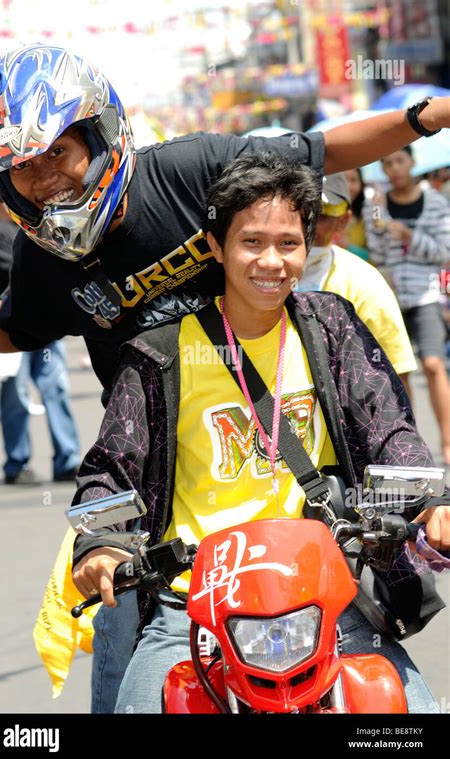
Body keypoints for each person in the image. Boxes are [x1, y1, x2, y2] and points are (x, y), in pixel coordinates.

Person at [72, 153, 449, 714]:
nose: (272, 261)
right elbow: (111, 469)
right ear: (216, 246)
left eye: (288, 243)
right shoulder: (158, 355)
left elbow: (390, 430)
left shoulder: (333, 327)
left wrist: (429, 502)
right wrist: (99, 544)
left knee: (409, 712)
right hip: (191, 612)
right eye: (251, 242)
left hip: (326, 599)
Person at [0, 44, 450, 402]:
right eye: (21, 166)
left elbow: (319, 152)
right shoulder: (41, 254)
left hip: (280, 410)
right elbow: (19, 326)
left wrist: (425, 118)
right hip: (160, 454)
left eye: (57, 151)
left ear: (98, 137)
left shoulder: (193, 168)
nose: (43, 177)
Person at [0, 190, 81, 483]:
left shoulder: (31, 226)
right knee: (17, 394)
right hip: (8, 320)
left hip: (44, 318)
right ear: (2, 202)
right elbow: (8, 273)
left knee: (56, 388)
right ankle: (17, 462)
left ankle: (67, 459)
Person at [363, 145, 450, 465]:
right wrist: (377, 217)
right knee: (400, 372)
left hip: (426, 294)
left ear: (413, 162)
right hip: (392, 296)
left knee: (433, 364)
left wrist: (410, 236)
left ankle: (448, 442)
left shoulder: (436, 202)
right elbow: (380, 254)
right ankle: (413, 445)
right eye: (387, 162)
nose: (394, 168)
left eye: (400, 160)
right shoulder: (376, 206)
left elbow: (444, 252)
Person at [297, 171, 417, 388]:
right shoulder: (254, 273)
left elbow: (396, 375)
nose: (308, 226)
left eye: (322, 215)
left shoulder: (366, 283)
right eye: (301, 212)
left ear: (343, 221)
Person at [337, 167, 369, 261]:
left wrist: (349, 247)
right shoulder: (323, 214)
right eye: (343, 180)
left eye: (353, 180)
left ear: (361, 184)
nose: (348, 186)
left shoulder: (370, 212)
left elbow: (375, 257)